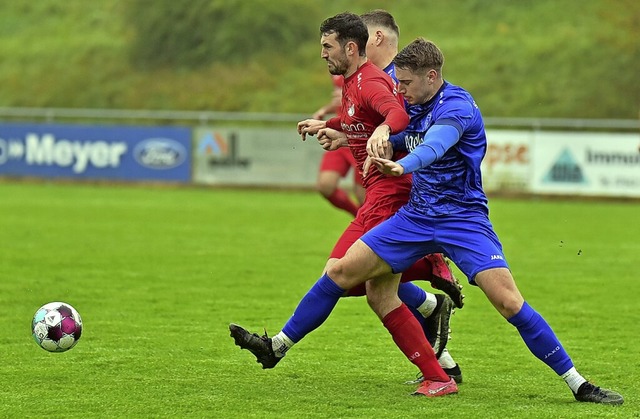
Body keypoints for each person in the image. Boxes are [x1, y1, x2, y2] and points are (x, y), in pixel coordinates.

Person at [332, 37, 621, 404]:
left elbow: (435, 145)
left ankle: (579, 383)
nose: (399, 90)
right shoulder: (415, 101)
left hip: (462, 220)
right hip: (417, 216)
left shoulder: (457, 107)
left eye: (404, 83)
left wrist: (402, 163)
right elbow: (405, 135)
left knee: (508, 302)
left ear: (431, 76)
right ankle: (279, 344)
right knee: (340, 272)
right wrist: (354, 136)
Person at [230, 12, 459, 398]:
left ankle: (278, 347)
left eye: (327, 46)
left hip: (390, 197)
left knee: (339, 275)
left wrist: (387, 128)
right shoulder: (353, 83)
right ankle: (438, 366)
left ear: (351, 48)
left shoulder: (370, 81)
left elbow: (397, 113)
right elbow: (357, 118)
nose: (322, 54)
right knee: (374, 291)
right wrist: (332, 129)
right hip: (377, 197)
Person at [312, 75, 365, 217]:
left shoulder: (363, 66)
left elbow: (368, 98)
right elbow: (340, 101)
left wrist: (347, 95)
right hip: (337, 136)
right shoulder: (336, 69)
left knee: (362, 195)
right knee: (325, 185)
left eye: (328, 50)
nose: (325, 54)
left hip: (358, 136)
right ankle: (358, 216)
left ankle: (367, 225)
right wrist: (324, 110)